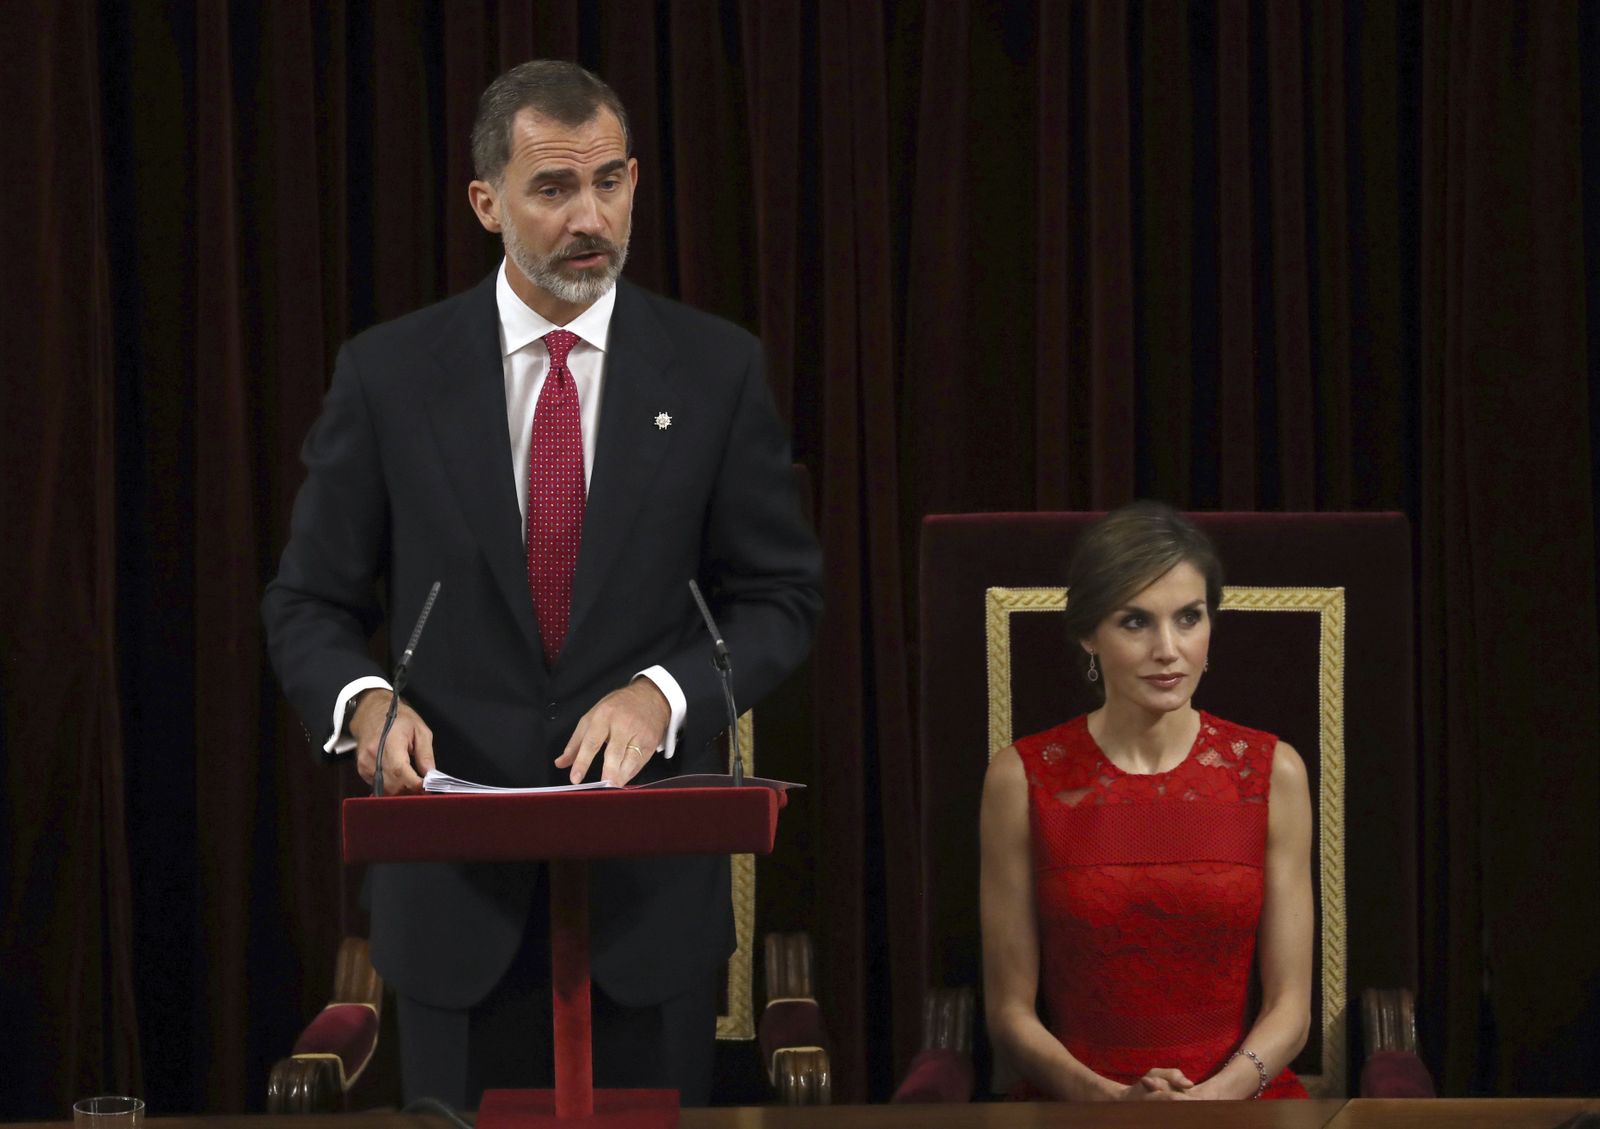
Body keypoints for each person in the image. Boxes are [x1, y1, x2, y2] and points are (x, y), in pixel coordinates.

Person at [262, 60, 822, 1108]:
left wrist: (665, 694)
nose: (589, 217)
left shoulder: (714, 370)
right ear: (487, 202)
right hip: (453, 912)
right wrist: (363, 702)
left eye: (609, 183)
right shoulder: (390, 376)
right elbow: (308, 602)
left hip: (648, 913)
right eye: (553, 189)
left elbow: (781, 598)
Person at [980, 501, 1313, 1101]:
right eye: (1135, 622)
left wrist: (1212, 1101)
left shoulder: (1274, 771)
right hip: (1078, 1108)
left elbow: (1291, 1006)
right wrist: (1111, 1101)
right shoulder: (1019, 779)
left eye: (1189, 618)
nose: (1169, 649)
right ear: (1088, 634)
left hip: (1240, 1105)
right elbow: (1009, 1013)